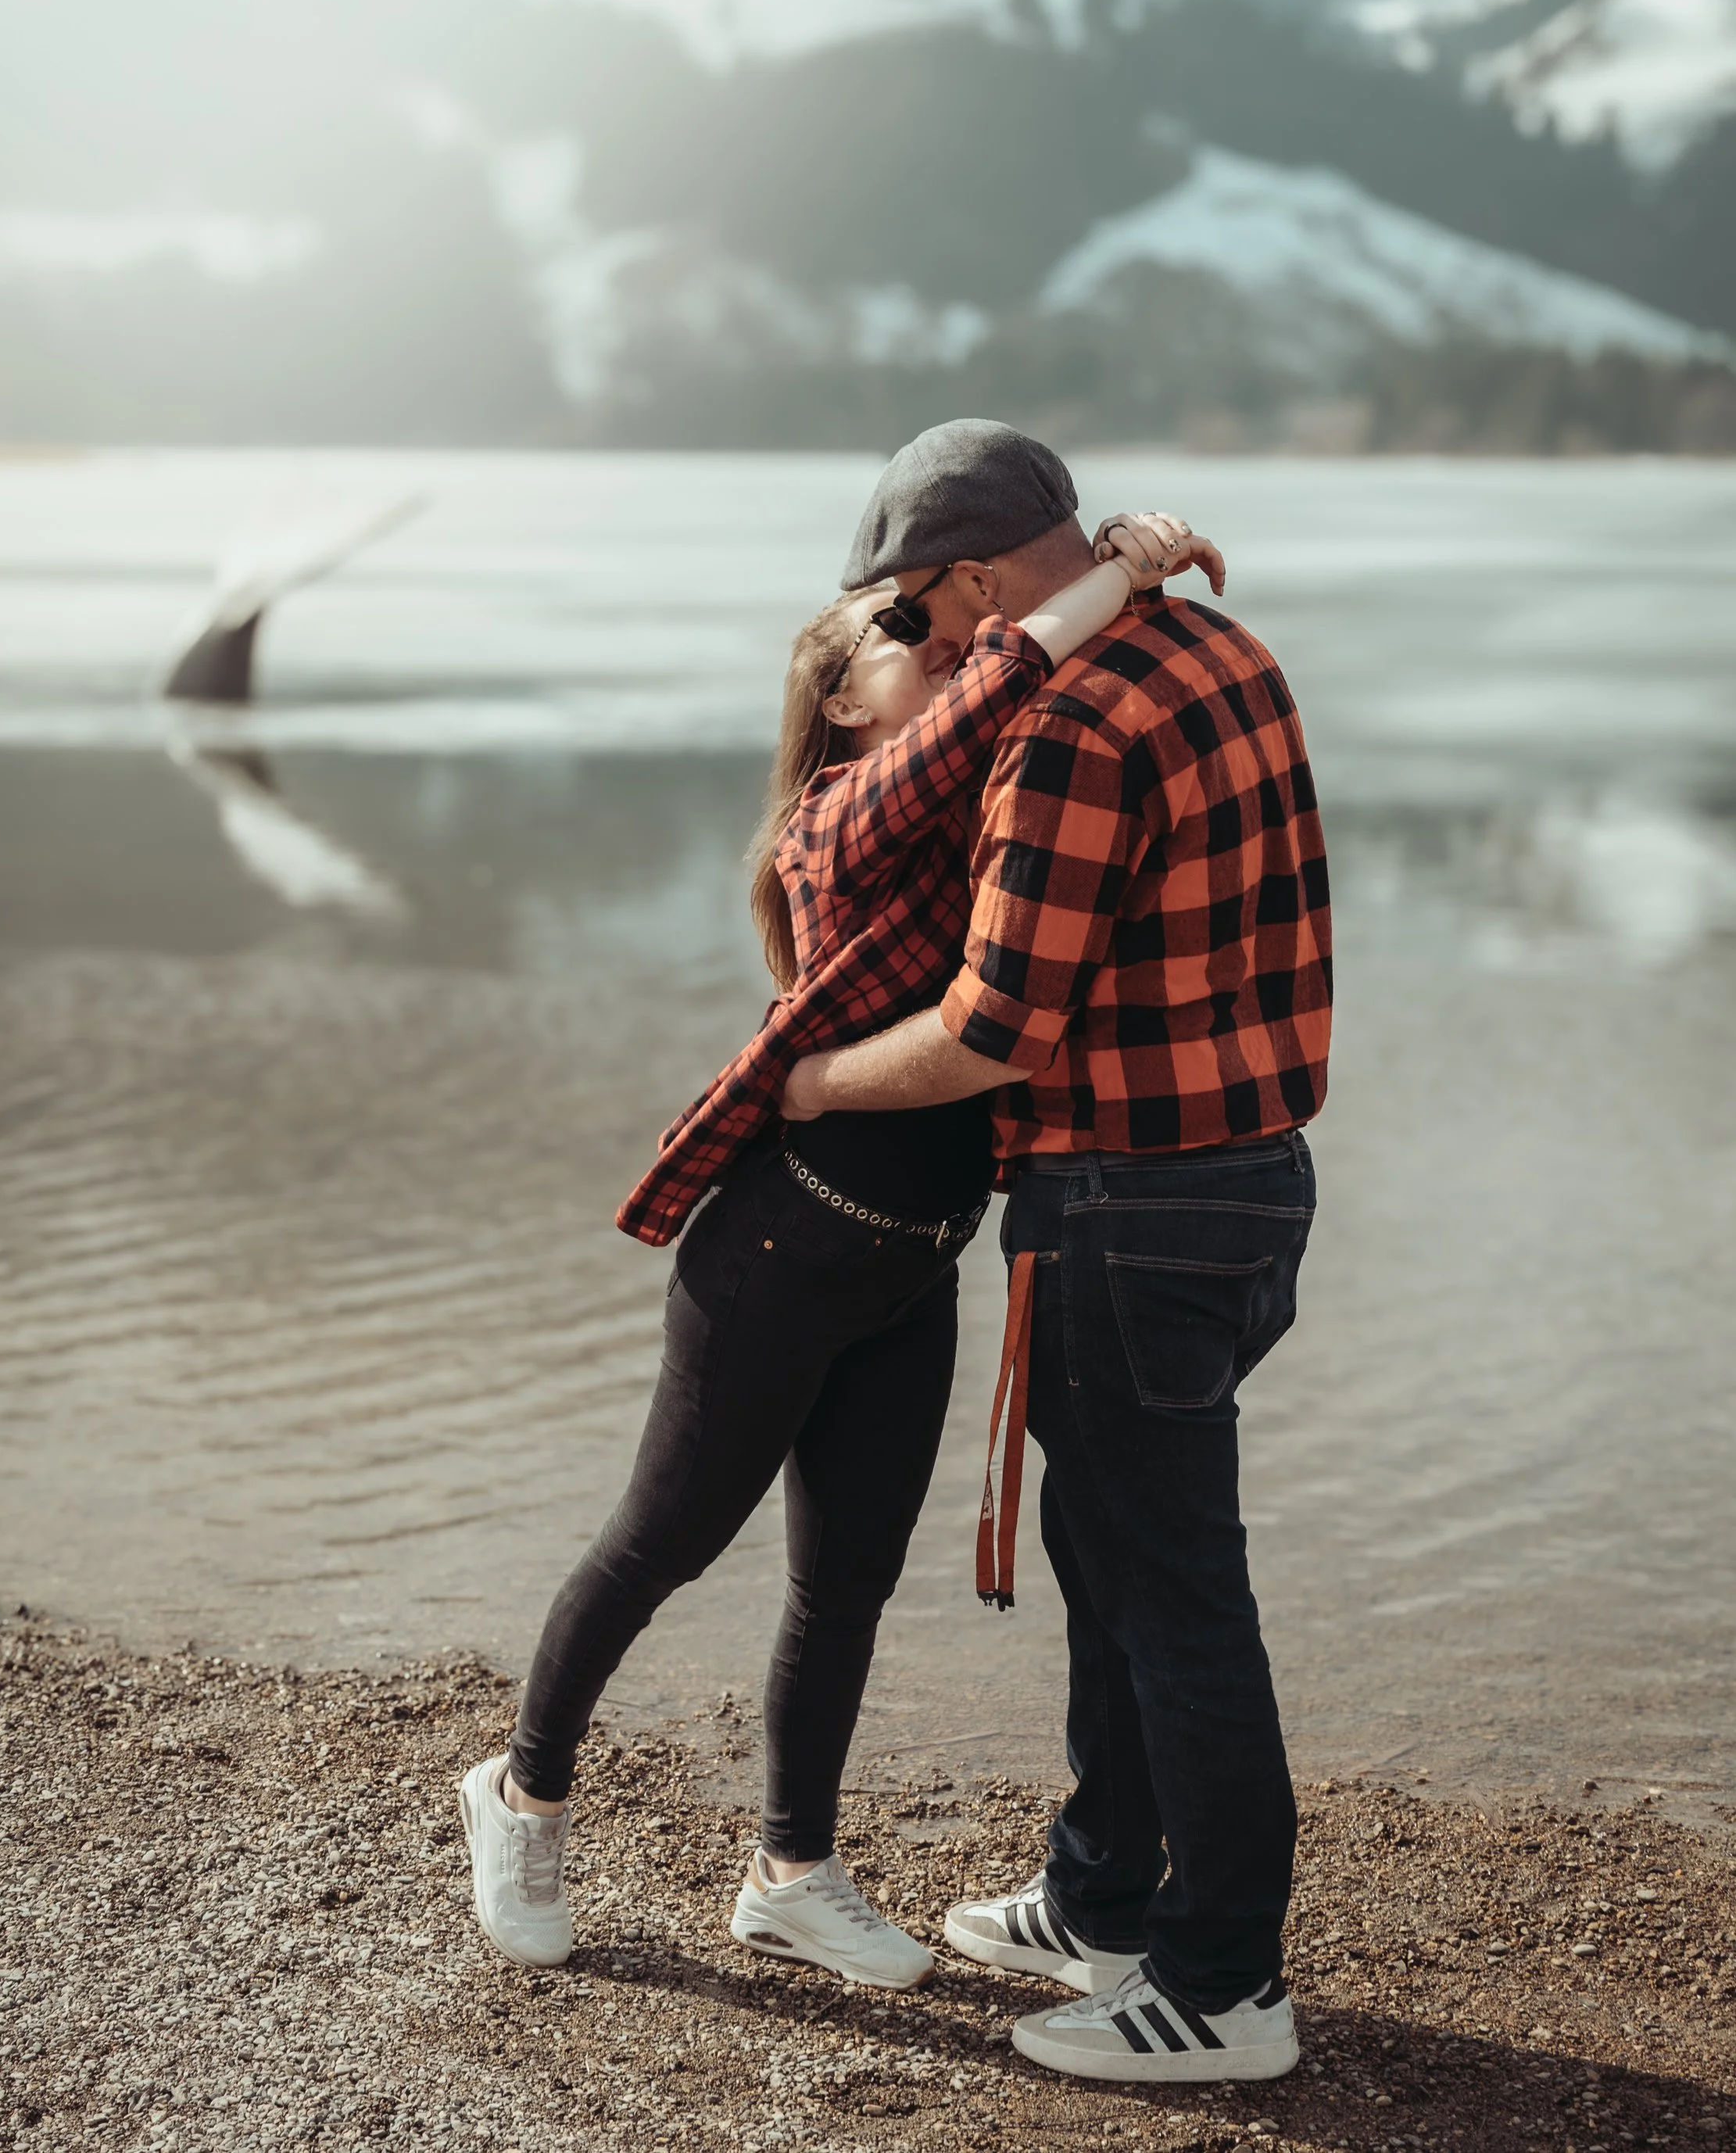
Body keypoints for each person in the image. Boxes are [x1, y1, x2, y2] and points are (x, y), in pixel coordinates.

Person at [457, 497, 1226, 1990]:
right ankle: (523, 1790)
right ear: (837, 701)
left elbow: (1029, 673)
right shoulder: (840, 820)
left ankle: (791, 1872)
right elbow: (1008, 672)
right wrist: (1117, 568)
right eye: (907, 650)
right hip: (776, 1258)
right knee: (661, 1543)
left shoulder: (982, 813)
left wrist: (1087, 557)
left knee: (848, 1584)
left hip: (912, 1259)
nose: (943, 661)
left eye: (944, 635)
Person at [781, 418, 1332, 2086]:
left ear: (963, 576)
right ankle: (1101, 1896)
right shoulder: (1218, 644)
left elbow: (991, 1033)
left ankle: (1225, 1986)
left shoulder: (1067, 728)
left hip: (1120, 1205)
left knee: (1173, 1599)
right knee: (1118, 1560)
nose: (920, 649)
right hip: (1250, 1180)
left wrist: (801, 1082)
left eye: (909, 613)